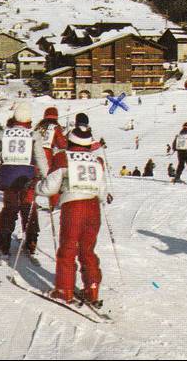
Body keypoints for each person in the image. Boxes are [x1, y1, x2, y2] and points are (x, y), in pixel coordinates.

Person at [34, 112, 112, 308]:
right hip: (93, 207)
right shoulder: (97, 161)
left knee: (68, 248)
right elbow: (102, 191)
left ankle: (64, 289)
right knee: (88, 249)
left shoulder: (63, 158)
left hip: (73, 207)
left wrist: (36, 187)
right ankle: (92, 287)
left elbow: (50, 188)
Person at [0, 102, 40, 257]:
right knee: (28, 207)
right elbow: (40, 158)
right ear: (28, 119)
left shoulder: (4, 133)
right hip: (27, 176)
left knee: (10, 208)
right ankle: (31, 241)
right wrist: (45, 174)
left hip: (8, 175)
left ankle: (4, 242)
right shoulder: (33, 134)